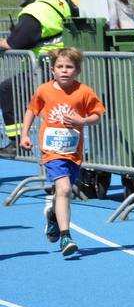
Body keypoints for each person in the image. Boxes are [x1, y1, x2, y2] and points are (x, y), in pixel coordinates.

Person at [19, 47, 105, 256]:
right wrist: (24, 134)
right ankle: (66, 236)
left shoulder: (84, 91)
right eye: (60, 66)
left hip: (73, 152)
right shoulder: (44, 90)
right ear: (52, 70)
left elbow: (97, 115)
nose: (64, 70)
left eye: (69, 67)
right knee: (65, 189)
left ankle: (53, 215)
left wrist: (82, 120)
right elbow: (32, 110)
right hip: (52, 151)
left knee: (63, 192)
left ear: (77, 71)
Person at [0, 0, 72, 159]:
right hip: (67, 62)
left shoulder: (34, 12)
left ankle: (16, 142)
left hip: (47, 66)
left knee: (8, 89)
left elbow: (13, 43)